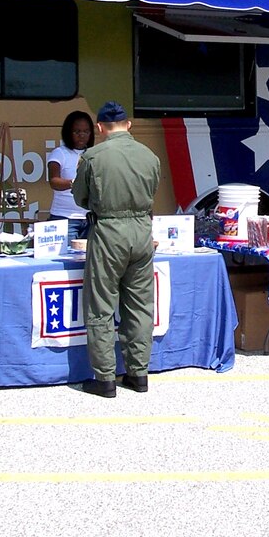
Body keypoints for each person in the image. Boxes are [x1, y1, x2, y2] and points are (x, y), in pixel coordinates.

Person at [72, 101, 161, 397]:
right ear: (129, 125)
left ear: (99, 128)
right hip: (142, 231)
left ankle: (106, 379)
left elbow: (80, 198)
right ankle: (139, 375)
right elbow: (152, 193)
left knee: (101, 306)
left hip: (109, 231)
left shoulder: (93, 156)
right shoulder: (149, 156)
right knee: (139, 306)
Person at [47, 110, 94, 243]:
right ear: (68, 132)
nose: (82, 135)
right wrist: (75, 183)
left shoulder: (93, 154)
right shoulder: (59, 153)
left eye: (86, 131)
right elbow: (54, 181)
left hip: (90, 218)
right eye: (77, 132)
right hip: (65, 218)